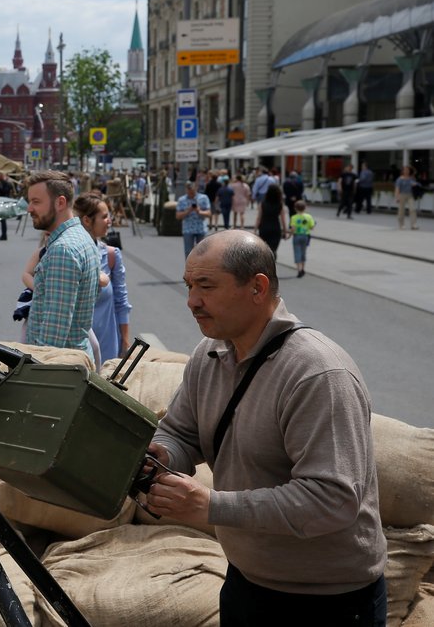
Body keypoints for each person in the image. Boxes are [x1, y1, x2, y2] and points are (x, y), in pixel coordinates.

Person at [145, 230, 386, 625]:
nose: (191, 302)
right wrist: (162, 454)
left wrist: (211, 506)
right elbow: (181, 432)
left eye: (206, 286)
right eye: (189, 286)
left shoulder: (317, 373)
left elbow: (332, 499)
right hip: (246, 583)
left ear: (257, 288)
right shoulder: (209, 355)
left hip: (329, 603)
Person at [20, 170, 99, 357]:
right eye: (30, 201)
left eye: (36, 202)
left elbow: (52, 339)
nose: (29, 209)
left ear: (60, 202)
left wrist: (32, 371)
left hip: (57, 373)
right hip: (72, 363)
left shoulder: (63, 249)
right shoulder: (81, 236)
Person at [73, 192, 131, 365]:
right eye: (104, 216)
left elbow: (122, 301)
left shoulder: (112, 255)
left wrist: (125, 341)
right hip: (76, 346)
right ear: (87, 221)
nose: (109, 221)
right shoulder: (69, 255)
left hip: (108, 345)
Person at [175, 180, 211, 259]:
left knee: (202, 252)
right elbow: (178, 216)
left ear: (196, 189)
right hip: (188, 230)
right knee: (188, 252)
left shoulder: (203, 198)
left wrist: (199, 211)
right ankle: (190, 269)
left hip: (201, 229)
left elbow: (208, 213)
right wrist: (188, 211)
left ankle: (201, 269)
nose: (191, 194)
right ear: (186, 190)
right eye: (189, 191)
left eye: (193, 192)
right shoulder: (182, 200)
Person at [254, 183, 289, 258]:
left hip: (264, 227)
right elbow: (283, 220)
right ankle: (273, 262)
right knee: (273, 249)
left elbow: (258, 218)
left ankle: (266, 263)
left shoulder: (262, 203)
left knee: (264, 249)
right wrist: (285, 231)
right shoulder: (280, 204)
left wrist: (255, 230)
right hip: (275, 228)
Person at [289, 200, 315, 279]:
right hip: (305, 236)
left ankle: (299, 270)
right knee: (303, 252)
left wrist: (289, 235)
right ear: (305, 208)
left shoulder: (294, 217)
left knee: (297, 252)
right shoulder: (309, 217)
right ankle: (303, 268)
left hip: (297, 236)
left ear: (295, 208)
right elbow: (312, 227)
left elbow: (293, 228)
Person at [394, 165, 418, 231]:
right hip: (402, 195)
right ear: (402, 171)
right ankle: (401, 225)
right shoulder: (399, 179)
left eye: (407, 170)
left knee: (412, 209)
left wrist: (415, 184)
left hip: (410, 195)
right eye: (405, 170)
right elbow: (397, 189)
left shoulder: (411, 178)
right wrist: (397, 197)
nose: (406, 171)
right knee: (401, 210)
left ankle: (413, 224)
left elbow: (416, 184)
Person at [0, 171, 14, 240]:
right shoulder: (0, 184)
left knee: (3, 220)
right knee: (2, 220)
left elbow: (5, 191)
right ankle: (3, 235)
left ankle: (4, 235)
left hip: (3, 202)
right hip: (0, 202)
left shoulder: (5, 184)